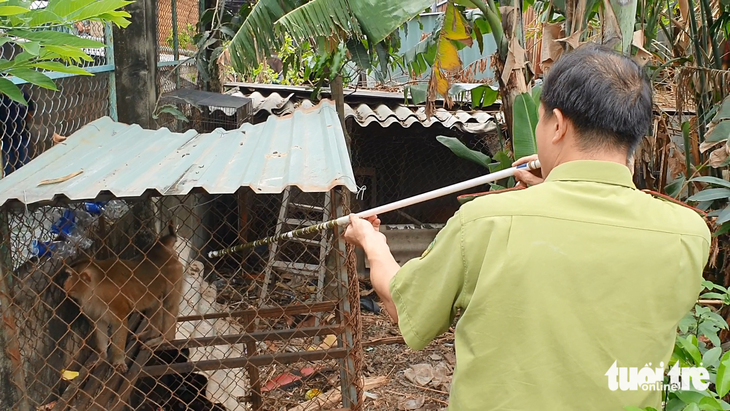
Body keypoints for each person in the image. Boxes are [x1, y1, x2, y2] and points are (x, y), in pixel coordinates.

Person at [343, 43, 711, 410]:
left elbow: (403, 308)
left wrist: (371, 240)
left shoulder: (485, 222)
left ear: (558, 125)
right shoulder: (688, 234)